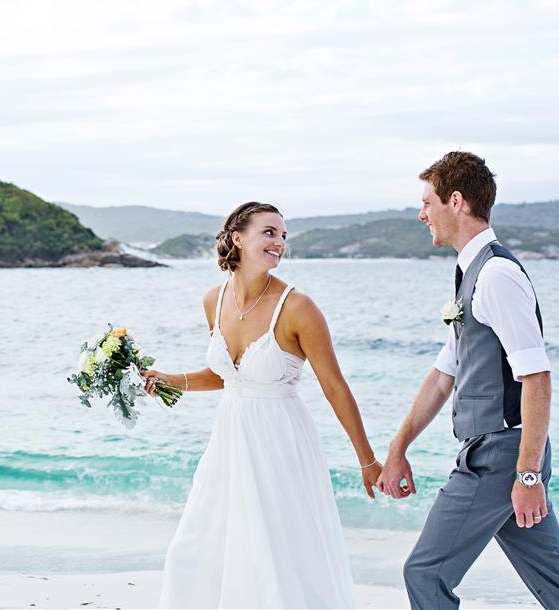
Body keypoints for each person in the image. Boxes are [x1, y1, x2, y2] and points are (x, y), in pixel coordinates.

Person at [376, 152, 559, 609]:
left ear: (456, 201)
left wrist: (528, 473)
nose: (421, 214)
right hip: (504, 456)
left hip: (500, 458)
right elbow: (444, 375)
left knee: (425, 573)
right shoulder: (470, 274)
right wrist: (398, 448)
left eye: (427, 202)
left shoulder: (497, 274)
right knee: (556, 585)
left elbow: (537, 378)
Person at [144, 201, 381, 609]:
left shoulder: (298, 307)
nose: (279, 243)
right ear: (237, 238)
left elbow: (335, 388)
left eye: (283, 236)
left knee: (276, 561)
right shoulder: (212, 301)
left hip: (281, 444)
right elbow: (227, 376)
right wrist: (171, 380)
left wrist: (367, 460)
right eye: (269, 233)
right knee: (198, 549)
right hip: (229, 444)